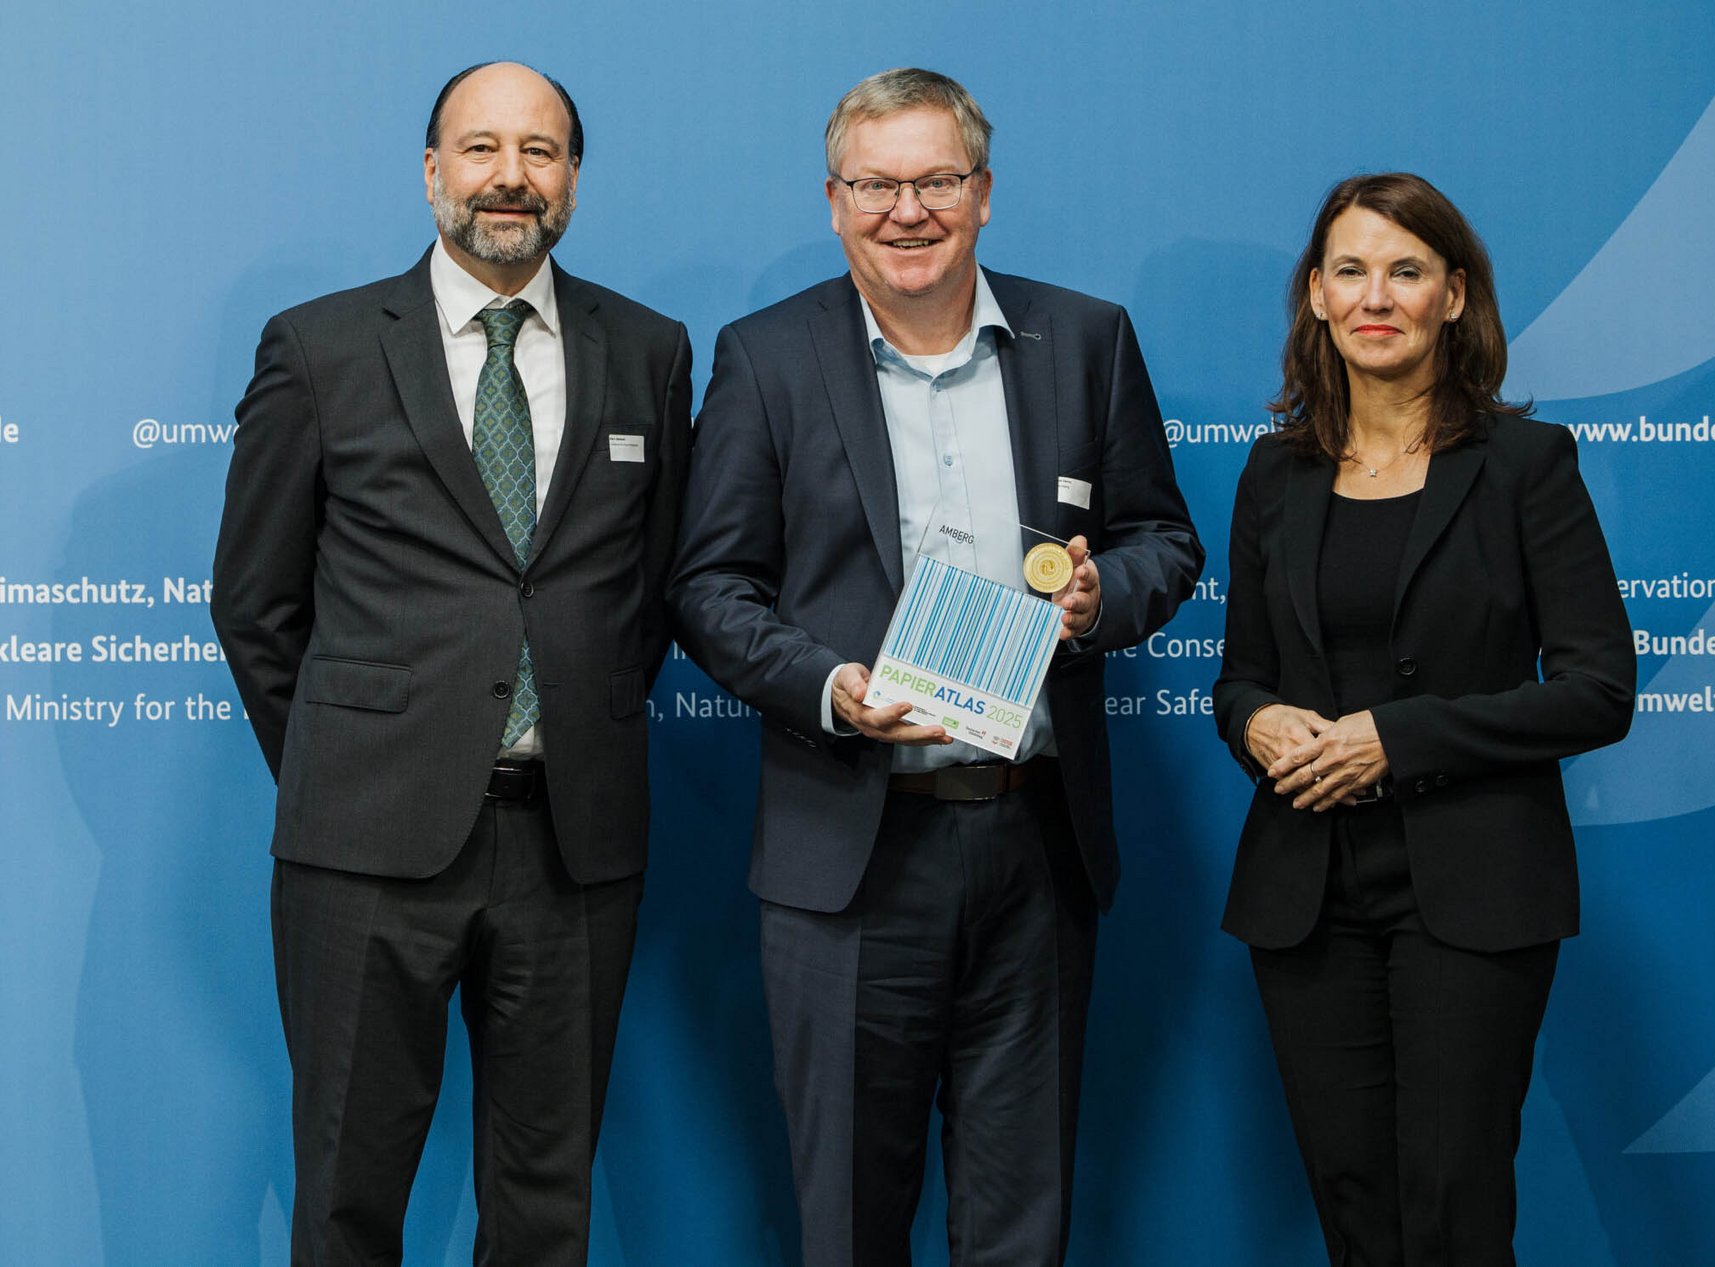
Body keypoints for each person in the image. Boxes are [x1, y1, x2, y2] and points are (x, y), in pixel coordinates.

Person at [668, 67, 1201, 1267]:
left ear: (984, 193)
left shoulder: (1087, 340)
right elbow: (708, 587)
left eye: (936, 181)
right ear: (833, 197)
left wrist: (1095, 596)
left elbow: (1163, 542)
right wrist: (828, 689)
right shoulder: (765, 357)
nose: (907, 210)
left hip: (1035, 845)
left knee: (1023, 1221)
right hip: (850, 850)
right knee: (850, 1219)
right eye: (876, 185)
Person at [210, 61, 691, 1265]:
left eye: (540, 152)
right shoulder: (318, 347)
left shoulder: (649, 350)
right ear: (433, 171)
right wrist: (353, 754)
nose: (509, 178)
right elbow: (257, 605)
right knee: (347, 1191)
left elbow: (653, 595)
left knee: (545, 1201)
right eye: (481, 150)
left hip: (573, 844)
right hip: (364, 841)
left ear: (573, 177)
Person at [1212, 172, 1634, 1266]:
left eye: (1405, 271)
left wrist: (1396, 738)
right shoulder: (1275, 472)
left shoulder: (1525, 466)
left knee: (1451, 1211)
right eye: (1350, 271)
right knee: (1355, 1209)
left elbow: (1597, 689)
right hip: (1306, 889)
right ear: (1315, 294)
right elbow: (1239, 679)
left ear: (1454, 294)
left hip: (1474, 887)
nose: (1376, 296)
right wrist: (1255, 724)